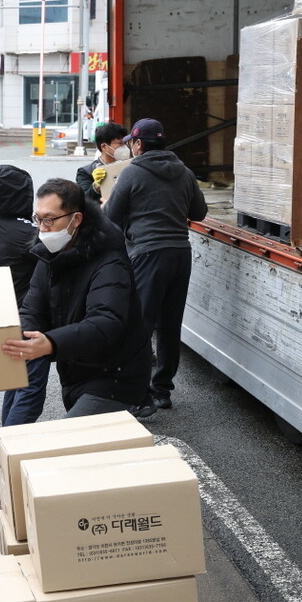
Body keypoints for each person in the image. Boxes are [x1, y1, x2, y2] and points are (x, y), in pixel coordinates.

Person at [2, 178, 155, 418]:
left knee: (67, 442)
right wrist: (21, 337)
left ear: (76, 219)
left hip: (115, 376)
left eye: (50, 219)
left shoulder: (109, 261)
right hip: (76, 371)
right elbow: (32, 309)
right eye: (38, 219)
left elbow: (106, 322)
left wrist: (50, 343)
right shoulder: (49, 256)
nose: (43, 228)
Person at [103, 118, 208, 410]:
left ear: (138, 144)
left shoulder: (132, 173)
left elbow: (111, 216)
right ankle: (162, 390)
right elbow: (199, 212)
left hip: (148, 254)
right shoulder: (185, 172)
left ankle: (139, 394)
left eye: (131, 144)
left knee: (141, 325)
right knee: (170, 325)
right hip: (180, 254)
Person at [0, 165, 49, 426]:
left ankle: (6, 442)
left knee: (16, 382)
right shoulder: (27, 233)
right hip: (29, 317)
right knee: (30, 390)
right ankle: (12, 442)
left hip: (7, 313)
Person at [75, 122, 131, 203]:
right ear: (104, 147)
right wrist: (96, 186)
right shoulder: (85, 172)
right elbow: (85, 201)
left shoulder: (129, 166)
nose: (124, 147)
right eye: (120, 143)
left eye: (125, 143)